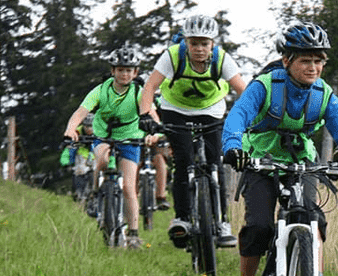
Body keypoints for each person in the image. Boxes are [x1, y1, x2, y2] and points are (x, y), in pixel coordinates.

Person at [222, 21, 338, 276]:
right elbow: (238, 115)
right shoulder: (265, 85)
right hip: (261, 160)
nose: (313, 68)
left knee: (313, 219)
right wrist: (233, 147)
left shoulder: (323, 93)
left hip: (302, 161)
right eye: (306, 61)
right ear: (286, 61)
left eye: (319, 61)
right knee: (259, 227)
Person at [137, 14, 248, 248]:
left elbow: (244, 92)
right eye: (194, 43)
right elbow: (150, 87)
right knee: (184, 160)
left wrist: (244, 119)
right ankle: (183, 218)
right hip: (175, 109)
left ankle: (222, 222)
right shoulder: (172, 56)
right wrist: (146, 115)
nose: (199, 49)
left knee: (215, 164)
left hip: (211, 110)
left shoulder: (222, 60)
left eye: (204, 43)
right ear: (185, 42)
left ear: (212, 44)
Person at [63, 48, 158, 249]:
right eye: (121, 70)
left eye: (129, 70)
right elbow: (80, 112)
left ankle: (133, 234)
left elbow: (152, 115)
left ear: (135, 73)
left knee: (129, 187)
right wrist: (71, 129)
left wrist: (153, 133)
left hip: (131, 137)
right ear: (113, 71)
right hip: (103, 134)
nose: (125, 74)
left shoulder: (139, 92)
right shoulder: (101, 90)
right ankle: (96, 195)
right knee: (102, 160)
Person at [61, 113, 95, 202]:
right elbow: (69, 149)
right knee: (79, 170)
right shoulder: (77, 132)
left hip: (96, 154)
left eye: (91, 126)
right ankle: (79, 194)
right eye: (86, 126)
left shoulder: (101, 131)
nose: (88, 129)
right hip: (82, 154)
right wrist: (66, 162)